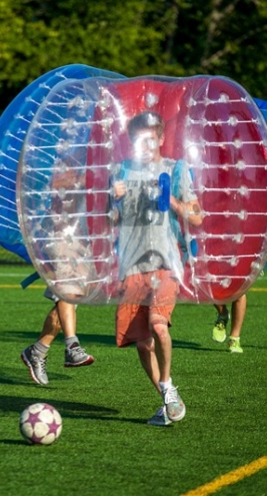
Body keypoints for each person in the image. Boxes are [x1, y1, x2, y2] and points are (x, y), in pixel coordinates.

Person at [111, 111, 202, 426]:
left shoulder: (176, 169)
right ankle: (166, 392)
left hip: (165, 264)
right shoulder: (122, 171)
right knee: (142, 342)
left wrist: (173, 201)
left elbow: (197, 217)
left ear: (161, 138)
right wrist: (114, 201)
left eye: (151, 137)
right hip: (133, 266)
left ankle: (167, 388)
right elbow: (109, 221)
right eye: (139, 139)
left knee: (158, 325)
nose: (146, 143)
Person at [21, 163, 94, 386]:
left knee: (70, 300)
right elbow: (53, 185)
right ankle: (72, 345)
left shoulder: (96, 157)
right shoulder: (65, 159)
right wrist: (83, 181)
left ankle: (38, 350)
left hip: (83, 240)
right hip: (60, 237)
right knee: (67, 292)